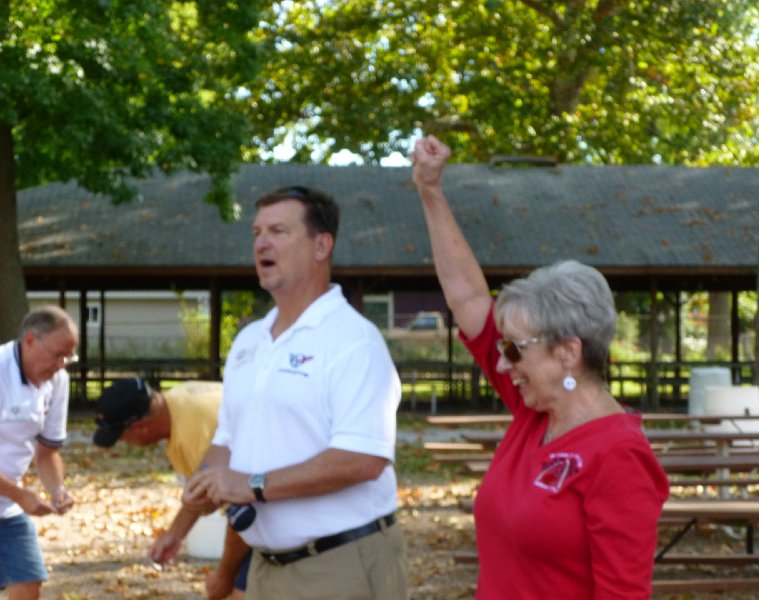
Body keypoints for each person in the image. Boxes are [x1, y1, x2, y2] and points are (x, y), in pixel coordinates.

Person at [410, 135, 669, 599]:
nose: (503, 363)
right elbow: (468, 297)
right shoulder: (537, 410)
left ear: (567, 352)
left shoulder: (618, 455)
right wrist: (430, 191)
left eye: (515, 350)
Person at [183, 185, 407, 599]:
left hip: (342, 565)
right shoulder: (249, 340)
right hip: (266, 568)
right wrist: (196, 499)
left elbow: (363, 459)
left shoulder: (354, 340)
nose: (261, 243)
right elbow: (227, 441)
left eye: (279, 231)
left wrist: (253, 484)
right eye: (256, 233)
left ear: (322, 245)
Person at [92, 377, 251, 600]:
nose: (123, 443)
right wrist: (174, 534)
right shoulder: (179, 402)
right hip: (270, 498)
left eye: (121, 437)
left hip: (282, 505)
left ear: (139, 428)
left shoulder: (194, 435)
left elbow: (244, 513)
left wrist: (225, 575)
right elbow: (201, 495)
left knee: (240, 594)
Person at [0, 305, 78, 600]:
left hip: (6, 509)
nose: (61, 364)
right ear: (30, 340)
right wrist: (21, 495)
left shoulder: (58, 381)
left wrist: (57, 489)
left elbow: (47, 452)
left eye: (68, 357)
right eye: (57, 355)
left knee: (28, 582)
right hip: (13, 498)